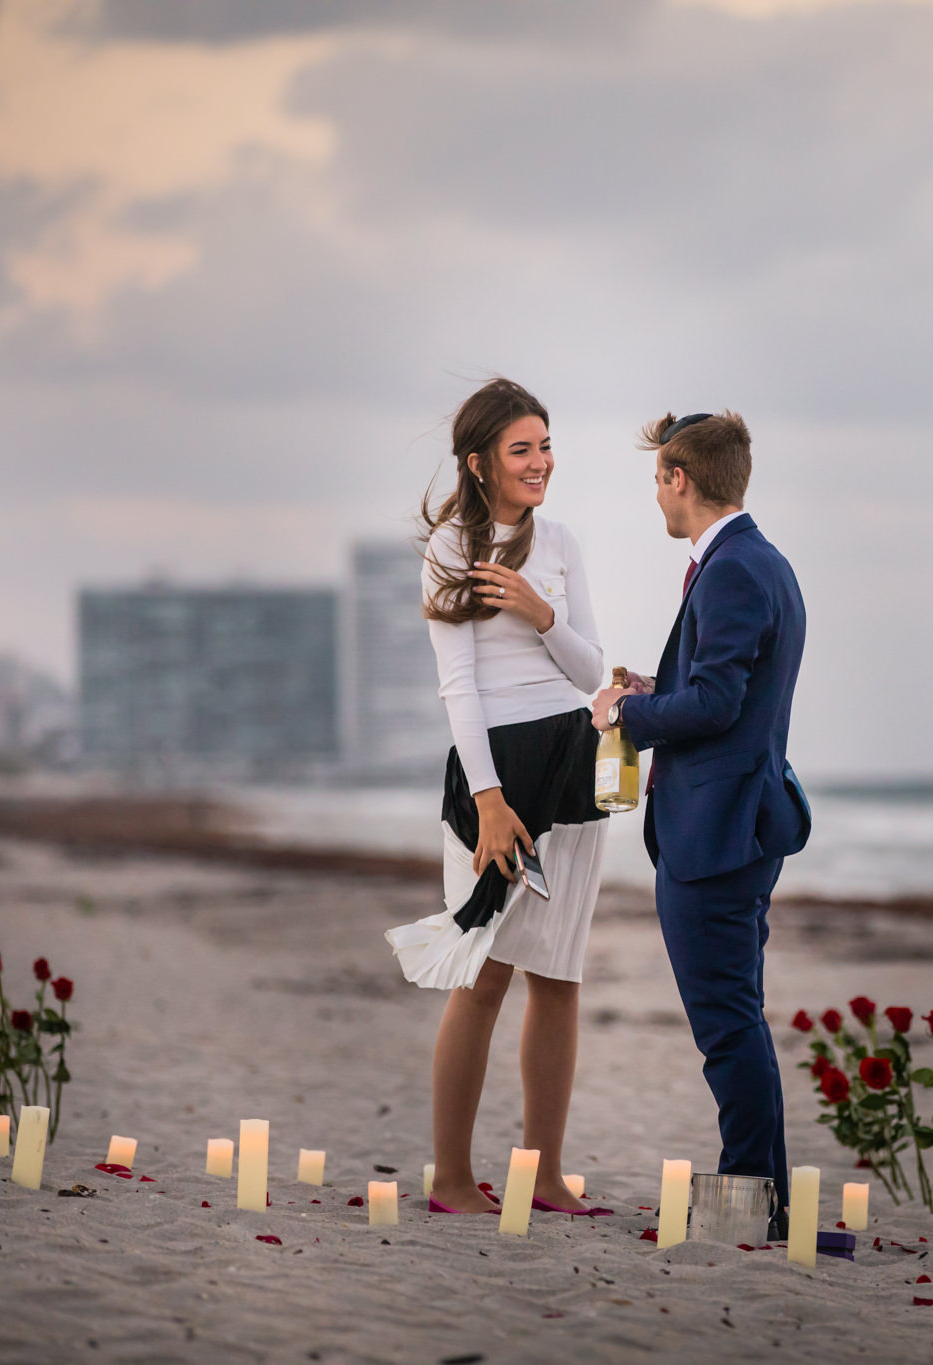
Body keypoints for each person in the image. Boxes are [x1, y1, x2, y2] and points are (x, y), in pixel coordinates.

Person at [385, 377, 611, 1217]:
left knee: (559, 977)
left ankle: (542, 1174)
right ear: (479, 463)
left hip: (574, 764)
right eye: (522, 449)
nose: (540, 463)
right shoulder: (451, 547)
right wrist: (487, 801)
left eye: (546, 446)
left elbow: (594, 672)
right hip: (499, 774)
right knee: (483, 977)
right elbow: (461, 689)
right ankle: (450, 1177)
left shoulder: (561, 542)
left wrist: (540, 610)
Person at [590, 410, 811, 1225]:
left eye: (658, 478)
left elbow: (718, 704)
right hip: (736, 821)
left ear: (681, 478)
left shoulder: (732, 569)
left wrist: (624, 717)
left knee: (726, 1027)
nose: (655, 494)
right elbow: (728, 696)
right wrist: (656, 695)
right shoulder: (757, 562)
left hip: (717, 833)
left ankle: (749, 1204)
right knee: (738, 1019)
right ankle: (762, 1202)